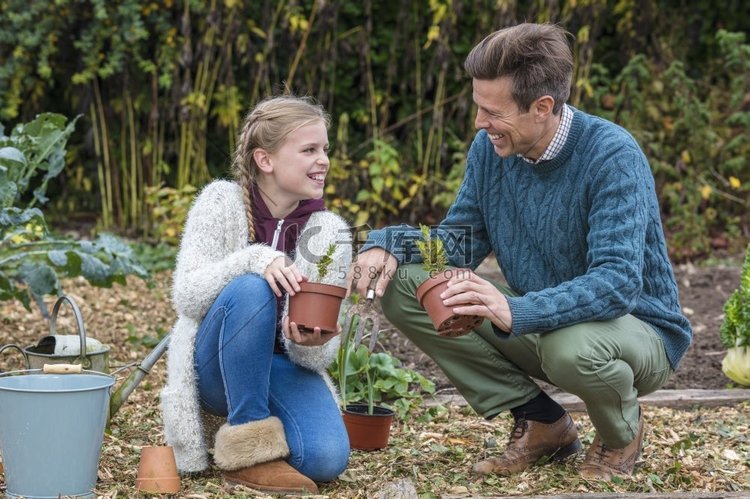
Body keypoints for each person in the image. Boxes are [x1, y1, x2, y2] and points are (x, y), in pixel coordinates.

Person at [352, 23, 692, 480]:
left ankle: (619, 435)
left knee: (568, 348)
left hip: (637, 332)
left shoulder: (611, 155)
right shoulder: (490, 150)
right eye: (477, 107)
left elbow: (617, 283)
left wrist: (516, 310)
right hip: (542, 322)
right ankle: (542, 422)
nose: (479, 123)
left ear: (542, 107)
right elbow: (462, 241)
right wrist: (387, 244)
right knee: (408, 287)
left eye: (492, 112)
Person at [161, 95, 352, 495]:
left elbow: (316, 356)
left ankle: (266, 429)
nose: (324, 161)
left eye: (325, 150)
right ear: (265, 160)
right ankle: (249, 447)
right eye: (309, 150)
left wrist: (312, 341)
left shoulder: (329, 231)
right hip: (214, 367)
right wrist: (253, 259)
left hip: (279, 368)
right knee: (252, 286)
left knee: (326, 460)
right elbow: (187, 295)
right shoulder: (221, 202)